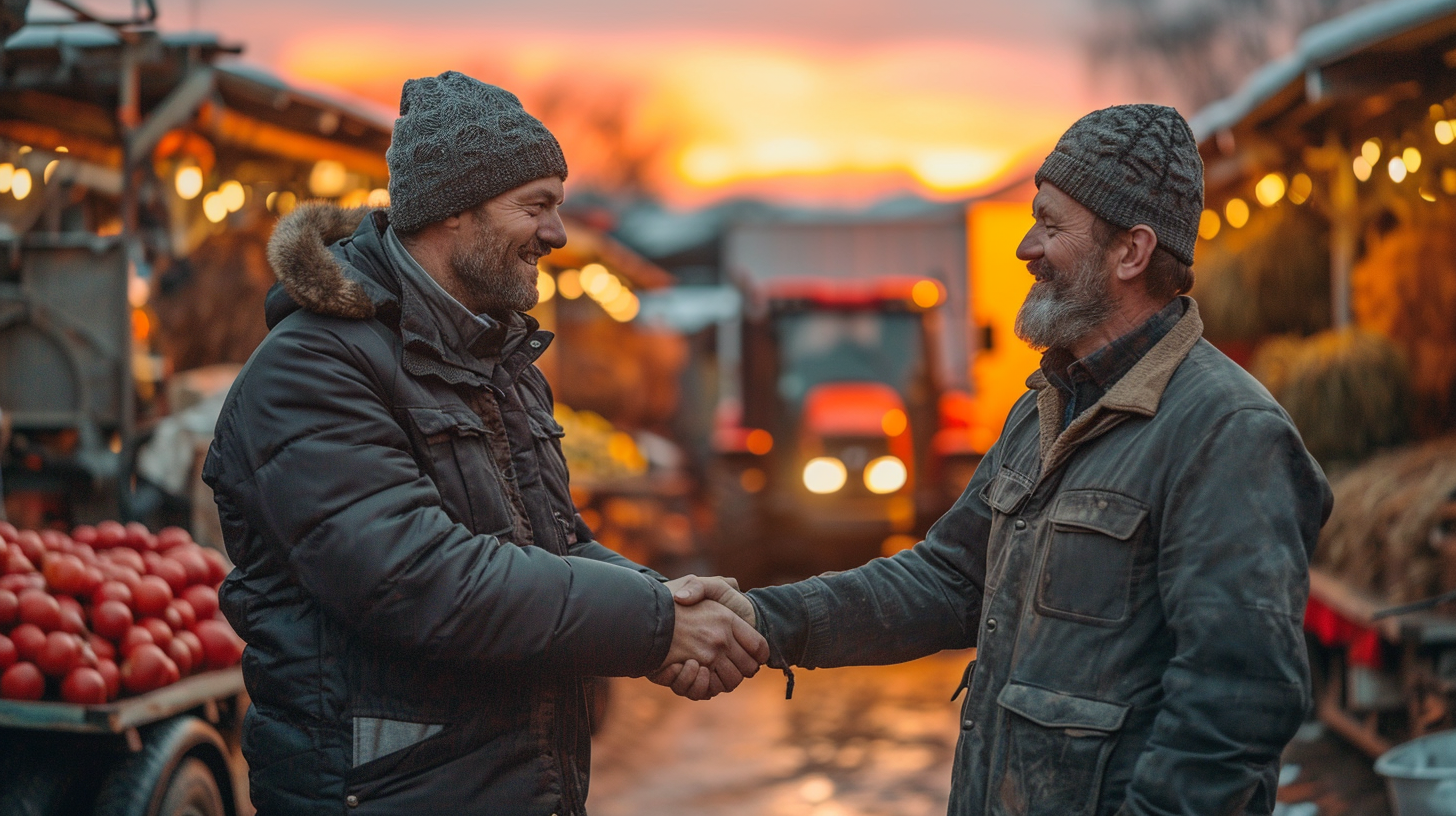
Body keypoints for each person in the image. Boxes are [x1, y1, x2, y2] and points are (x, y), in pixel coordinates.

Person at [679, 104, 1334, 816]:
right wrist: (763, 617)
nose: (1027, 246)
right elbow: (950, 577)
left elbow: (1234, 706)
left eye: (1052, 226)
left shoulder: (1226, 433)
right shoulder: (1047, 406)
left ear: (1131, 252)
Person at [203, 71, 765, 816]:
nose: (558, 235)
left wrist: (667, 597)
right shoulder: (314, 368)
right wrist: (655, 627)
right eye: (536, 207)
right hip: (385, 791)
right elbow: (422, 582)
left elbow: (553, 545)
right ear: (452, 213)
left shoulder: (499, 363)